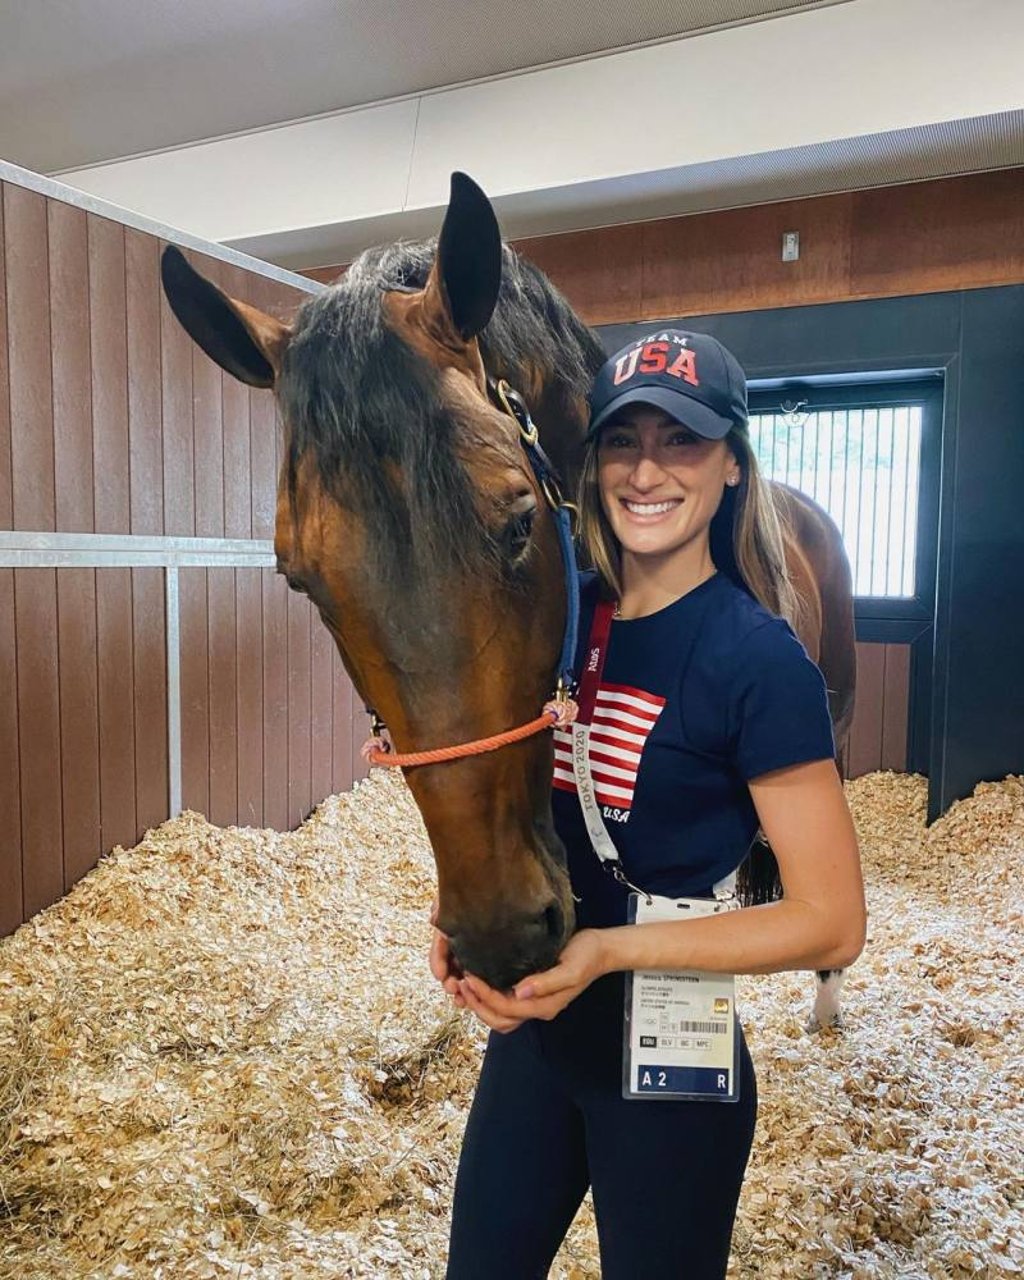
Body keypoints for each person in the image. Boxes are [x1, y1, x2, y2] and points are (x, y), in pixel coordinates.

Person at [430, 328, 866, 1279]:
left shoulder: (760, 664)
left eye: (683, 441)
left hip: (670, 1064)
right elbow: (517, 798)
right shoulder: (553, 613)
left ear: (733, 468)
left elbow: (832, 924)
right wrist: (465, 920)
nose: (647, 470)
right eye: (624, 441)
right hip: (537, 1042)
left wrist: (610, 951)